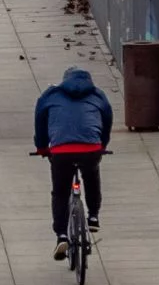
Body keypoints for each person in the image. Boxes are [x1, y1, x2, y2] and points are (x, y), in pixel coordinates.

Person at [34, 66, 113, 257]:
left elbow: (40, 119)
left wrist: (42, 147)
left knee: (60, 193)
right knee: (91, 178)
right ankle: (93, 215)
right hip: (90, 148)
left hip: (61, 150)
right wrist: (101, 144)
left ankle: (62, 235)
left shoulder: (51, 94)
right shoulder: (97, 94)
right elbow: (107, 119)